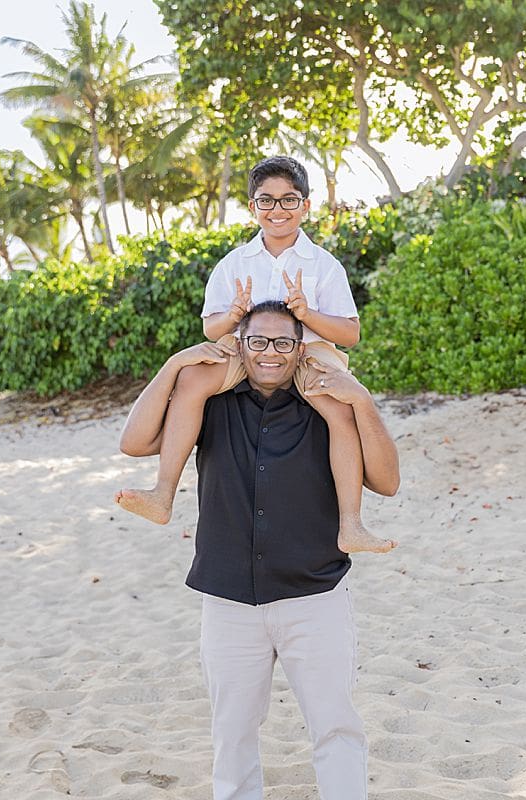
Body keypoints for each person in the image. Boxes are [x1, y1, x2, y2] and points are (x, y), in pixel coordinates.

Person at [117, 301, 400, 799]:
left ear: (300, 349)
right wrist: (173, 364)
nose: (271, 353)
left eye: (283, 343)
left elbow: (388, 481)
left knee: (336, 726)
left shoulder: (326, 402)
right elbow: (135, 442)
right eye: (258, 341)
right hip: (228, 599)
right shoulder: (209, 404)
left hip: (315, 596)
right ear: (239, 345)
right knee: (233, 735)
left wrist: (363, 402)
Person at [115, 155, 395, 554]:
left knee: (339, 407)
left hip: (308, 348)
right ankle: (163, 494)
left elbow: (350, 333)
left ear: (305, 206)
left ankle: (351, 524)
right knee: (192, 379)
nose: (277, 209)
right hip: (245, 345)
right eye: (267, 200)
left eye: (288, 200)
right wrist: (231, 316)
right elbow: (210, 328)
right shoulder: (234, 263)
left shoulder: (323, 264)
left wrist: (306, 313)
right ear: (252, 207)